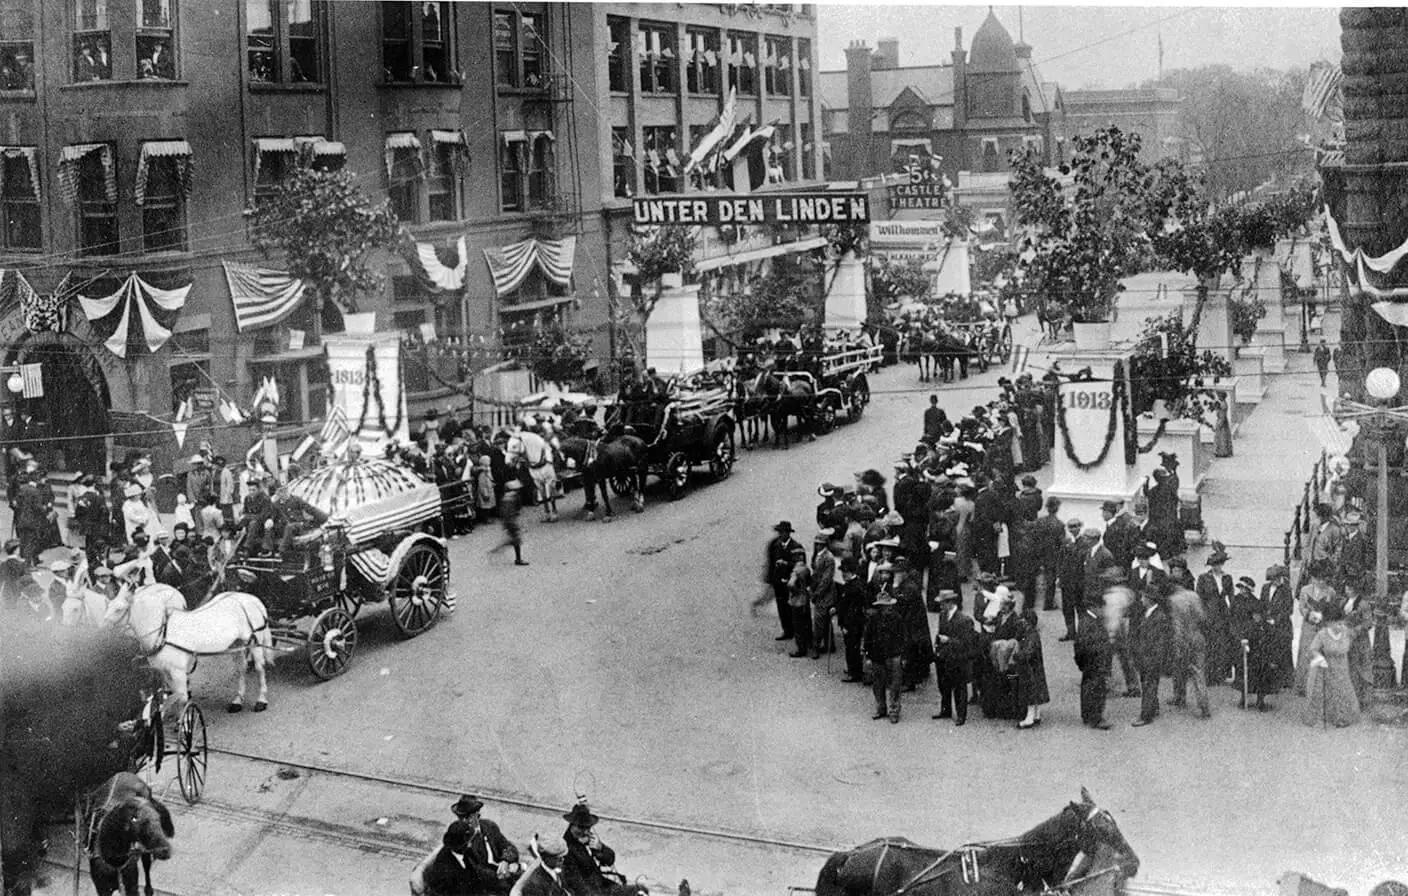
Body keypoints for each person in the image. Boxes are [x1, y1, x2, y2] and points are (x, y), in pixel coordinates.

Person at [1301, 603, 1361, 728]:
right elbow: (1313, 649)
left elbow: (1348, 646)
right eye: (1337, 623)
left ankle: (1342, 717)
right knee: (1328, 692)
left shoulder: (1345, 632)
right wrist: (1319, 658)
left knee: (1342, 691)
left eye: (1342, 622)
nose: (1341, 626)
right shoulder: (1322, 634)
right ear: (1329, 622)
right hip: (1327, 667)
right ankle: (1328, 716)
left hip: (1342, 667)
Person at [447, 795, 520, 894]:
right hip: (490, 885)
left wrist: (505, 861)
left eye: (468, 817)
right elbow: (478, 872)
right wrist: (505, 873)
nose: (465, 822)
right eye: (461, 818)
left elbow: (509, 847)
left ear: (477, 814)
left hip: (506, 871)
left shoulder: (489, 827)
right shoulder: (463, 840)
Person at [1164, 579, 1211, 718]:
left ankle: (1179, 697)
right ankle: (1204, 707)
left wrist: (1177, 645)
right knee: (1199, 672)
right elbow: (1203, 617)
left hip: (1184, 639)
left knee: (1178, 669)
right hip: (1197, 635)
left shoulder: (1173, 600)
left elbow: (1177, 625)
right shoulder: (1194, 595)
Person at [930, 590, 977, 725]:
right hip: (944, 657)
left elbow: (967, 643)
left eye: (942, 603)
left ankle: (961, 715)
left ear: (950, 603)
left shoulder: (964, 620)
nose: (940, 606)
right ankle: (946, 710)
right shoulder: (943, 615)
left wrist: (949, 640)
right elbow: (940, 633)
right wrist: (937, 647)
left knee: (959, 688)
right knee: (944, 685)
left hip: (958, 659)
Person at [1130, 583, 1172, 727]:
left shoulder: (1159, 617)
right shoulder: (1149, 613)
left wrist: (1152, 659)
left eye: (1143, 597)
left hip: (1151, 658)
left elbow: (1159, 642)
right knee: (1148, 684)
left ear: (1150, 599)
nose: (1141, 599)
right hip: (1145, 657)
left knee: (1149, 685)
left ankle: (1145, 715)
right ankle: (1153, 707)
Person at [561, 803, 623, 896]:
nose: (585, 831)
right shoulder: (567, 848)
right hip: (591, 892)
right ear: (572, 825)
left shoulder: (588, 838)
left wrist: (600, 848)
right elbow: (577, 885)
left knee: (638, 890)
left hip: (601, 884)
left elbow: (610, 860)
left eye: (588, 827)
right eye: (581, 827)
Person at [1295, 560, 1338, 695]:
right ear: (1312, 579)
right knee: (1306, 653)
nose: (1320, 582)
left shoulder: (1331, 592)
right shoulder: (1305, 590)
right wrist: (1309, 615)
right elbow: (1301, 607)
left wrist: (1323, 616)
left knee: (1320, 653)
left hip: (1322, 627)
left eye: (1323, 580)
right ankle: (1303, 686)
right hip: (1308, 626)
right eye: (1317, 579)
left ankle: (1319, 686)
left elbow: (1333, 610)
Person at [863, 586, 905, 723]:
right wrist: (867, 655)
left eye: (887, 606)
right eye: (882, 606)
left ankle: (894, 711)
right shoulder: (873, 619)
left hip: (894, 656)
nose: (885, 608)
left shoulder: (898, 619)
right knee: (878, 684)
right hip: (877, 656)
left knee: (895, 685)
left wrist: (902, 655)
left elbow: (904, 638)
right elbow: (868, 637)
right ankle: (881, 708)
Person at [1196, 549, 1236, 686]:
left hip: (1223, 613)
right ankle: (1209, 676)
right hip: (1209, 612)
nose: (1216, 567)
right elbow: (1199, 597)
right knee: (1209, 644)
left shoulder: (1227, 578)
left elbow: (1231, 596)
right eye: (1214, 564)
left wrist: (1233, 610)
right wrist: (1201, 614)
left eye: (1219, 564)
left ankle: (1221, 675)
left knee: (1222, 644)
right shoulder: (1203, 578)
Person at [765, 521, 802, 642]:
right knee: (781, 607)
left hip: (790, 582)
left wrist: (787, 564)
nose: (780, 535)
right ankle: (787, 630)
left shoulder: (796, 547)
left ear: (788, 533)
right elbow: (770, 563)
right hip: (778, 582)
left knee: (791, 607)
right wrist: (771, 579)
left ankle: (795, 631)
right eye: (779, 532)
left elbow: (800, 565)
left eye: (782, 532)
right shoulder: (775, 545)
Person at [422, 820, 480, 896]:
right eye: (470, 841)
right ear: (463, 845)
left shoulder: (456, 851)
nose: (472, 844)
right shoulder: (446, 873)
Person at [835, 558, 869, 684]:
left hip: (852, 624)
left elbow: (852, 611)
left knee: (851, 648)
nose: (843, 575)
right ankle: (854, 669)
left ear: (850, 572)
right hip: (854, 623)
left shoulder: (853, 588)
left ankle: (854, 673)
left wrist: (845, 625)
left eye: (845, 572)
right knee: (852, 647)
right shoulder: (854, 584)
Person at [1014, 609, 1049, 729]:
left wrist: (1017, 656)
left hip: (1029, 669)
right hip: (1035, 668)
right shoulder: (1032, 633)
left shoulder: (1031, 635)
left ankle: (1029, 718)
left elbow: (1028, 652)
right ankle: (1036, 714)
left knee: (1029, 693)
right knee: (1035, 692)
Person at [489, 471, 529, 567]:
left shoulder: (505, 497)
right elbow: (512, 512)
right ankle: (518, 559)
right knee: (516, 539)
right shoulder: (512, 498)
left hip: (508, 521)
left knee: (515, 538)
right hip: (511, 521)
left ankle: (501, 548)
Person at [809, 533, 838, 659]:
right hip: (819, 590)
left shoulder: (828, 558)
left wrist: (816, 593)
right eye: (817, 544)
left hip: (825, 593)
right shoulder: (818, 555)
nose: (818, 546)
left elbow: (826, 579)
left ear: (826, 545)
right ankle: (829, 645)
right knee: (825, 619)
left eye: (821, 544)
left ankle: (816, 647)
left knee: (819, 620)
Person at [785, 553, 812, 659]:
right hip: (805, 600)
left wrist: (795, 592)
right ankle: (809, 643)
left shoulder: (795, 571)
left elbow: (790, 584)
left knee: (798, 626)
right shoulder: (806, 569)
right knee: (806, 623)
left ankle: (801, 649)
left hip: (797, 602)